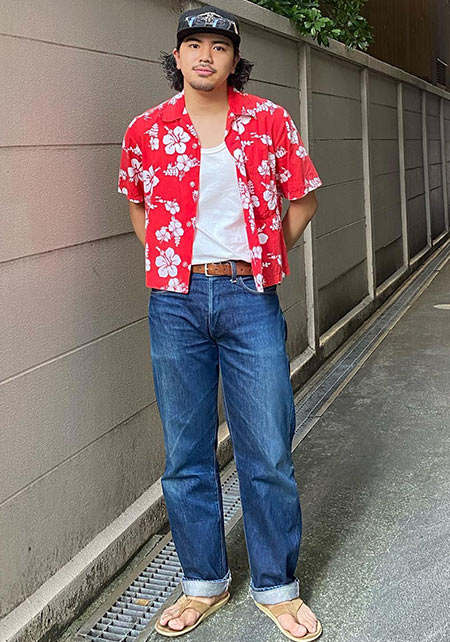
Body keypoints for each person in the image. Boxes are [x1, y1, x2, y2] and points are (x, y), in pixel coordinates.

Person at [117, 5, 323, 640]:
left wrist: (265, 253)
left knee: (267, 447)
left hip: (249, 295)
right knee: (186, 454)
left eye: (219, 46)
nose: (205, 55)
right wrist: (174, 264)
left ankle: (277, 587)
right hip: (175, 302)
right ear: (177, 56)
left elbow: (303, 196)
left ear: (235, 60)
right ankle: (203, 582)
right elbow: (138, 205)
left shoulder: (268, 120)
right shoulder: (146, 130)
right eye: (194, 45)